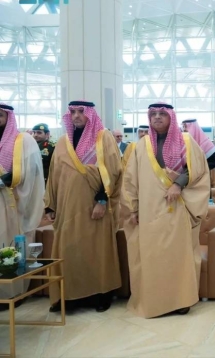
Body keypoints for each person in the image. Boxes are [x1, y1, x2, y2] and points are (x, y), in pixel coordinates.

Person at [122, 103, 209, 318]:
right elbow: (130, 180)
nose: (157, 118)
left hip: (177, 208)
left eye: (162, 114)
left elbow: (197, 171)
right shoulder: (140, 145)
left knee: (177, 256)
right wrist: (133, 209)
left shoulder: (186, 141)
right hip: (149, 211)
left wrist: (178, 184)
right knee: (152, 256)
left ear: (171, 117)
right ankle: (153, 299)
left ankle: (181, 300)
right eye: (153, 114)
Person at [44, 101, 122, 313]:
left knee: (97, 251)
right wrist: (50, 206)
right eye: (73, 112)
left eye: (81, 112)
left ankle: (101, 295)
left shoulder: (103, 137)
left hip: (94, 206)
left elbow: (113, 171)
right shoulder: (63, 142)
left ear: (90, 114)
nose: (76, 116)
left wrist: (102, 200)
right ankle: (68, 296)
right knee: (69, 251)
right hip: (67, 207)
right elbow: (53, 175)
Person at [0, 103, 44, 311]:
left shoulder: (23, 140)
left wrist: (9, 180)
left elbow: (33, 173)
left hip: (13, 203)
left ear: (8, 117)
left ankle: (14, 291)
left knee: (11, 243)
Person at [182, 119, 215, 187]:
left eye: (186, 126)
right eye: (183, 127)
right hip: (183, 179)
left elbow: (213, 162)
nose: (184, 129)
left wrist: (197, 168)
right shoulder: (182, 142)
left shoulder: (206, 143)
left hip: (202, 179)